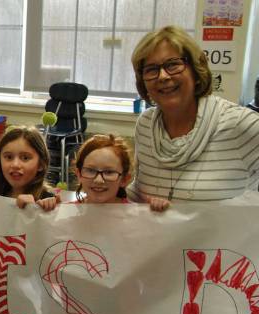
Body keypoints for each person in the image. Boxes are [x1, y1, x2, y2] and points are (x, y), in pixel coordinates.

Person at [129, 25, 259, 202]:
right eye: (151, 69)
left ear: (196, 70)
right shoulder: (145, 125)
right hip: (154, 230)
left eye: (173, 65)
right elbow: (140, 191)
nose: (163, 76)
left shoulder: (241, 124)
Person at [0, 126, 58, 211]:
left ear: (41, 164)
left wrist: (39, 209)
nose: (15, 164)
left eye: (25, 158)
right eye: (9, 157)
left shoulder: (47, 199)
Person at [73, 135, 169, 212]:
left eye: (109, 172)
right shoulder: (66, 213)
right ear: (79, 174)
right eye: (91, 170)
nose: (99, 180)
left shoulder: (137, 216)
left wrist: (159, 212)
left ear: (124, 179)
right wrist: (57, 211)